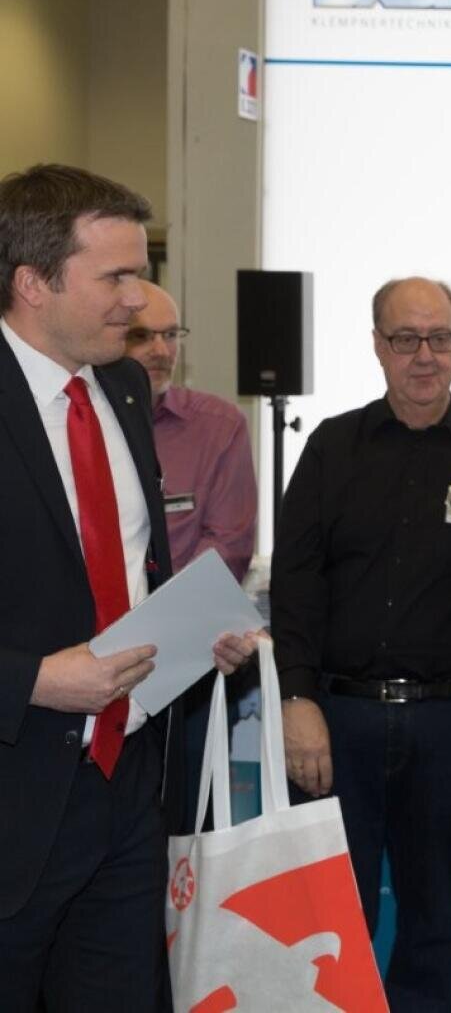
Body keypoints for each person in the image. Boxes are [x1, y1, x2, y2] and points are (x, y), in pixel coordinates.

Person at [0, 164, 255, 1009]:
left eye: (141, 273)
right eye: (116, 276)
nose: (140, 301)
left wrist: (195, 636)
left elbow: (133, 571)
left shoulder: (121, 390)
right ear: (33, 283)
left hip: (129, 792)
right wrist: (34, 679)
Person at [271, 276, 451, 1010]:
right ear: (377, 346)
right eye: (406, 339)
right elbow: (296, 586)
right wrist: (295, 698)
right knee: (336, 921)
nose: (425, 356)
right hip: (338, 723)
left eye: (441, 338)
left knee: (431, 923)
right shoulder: (333, 448)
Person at [125, 280, 256, 579]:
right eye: (141, 335)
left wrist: (162, 613)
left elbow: (228, 548)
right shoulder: (85, 421)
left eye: (171, 335)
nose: (161, 350)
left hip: (184, 613)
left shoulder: (220, 427)